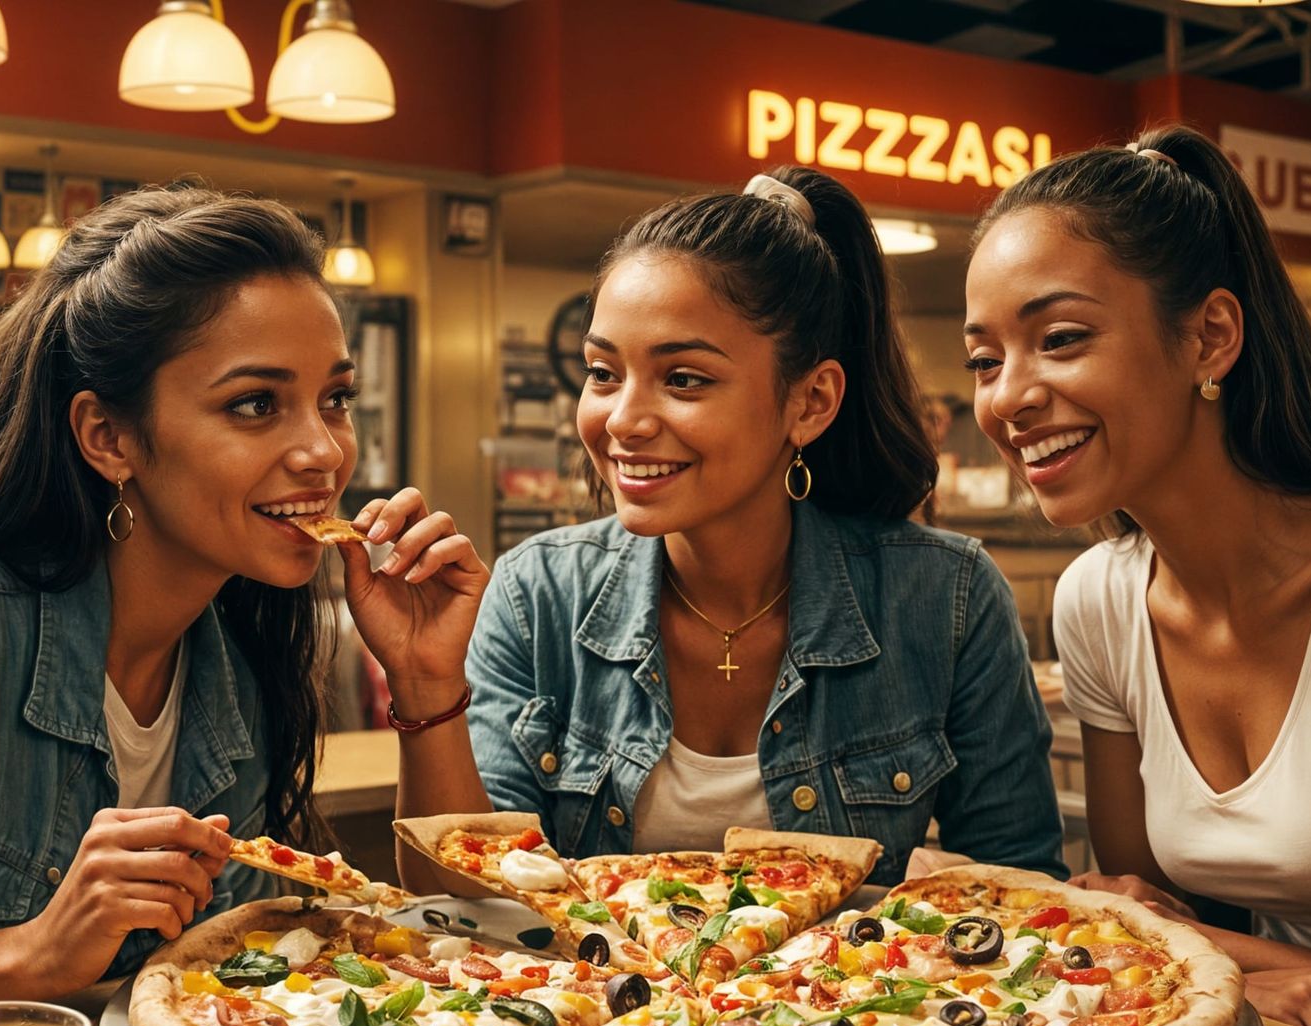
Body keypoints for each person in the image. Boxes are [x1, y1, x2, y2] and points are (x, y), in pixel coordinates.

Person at [354, 166, 1065, 895]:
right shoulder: (540, 592)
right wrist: (425, 682)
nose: (623, 420)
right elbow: (464, 900)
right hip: (592, 1005)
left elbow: (1021, 896)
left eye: (684, 379)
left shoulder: (944, 598)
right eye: (603, 373)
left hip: (855, 1005)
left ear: (810, 401)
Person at [962, 124, 1311, 1026]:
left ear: (1210, 336)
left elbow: (1186, 942)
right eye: (987, 359)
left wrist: (1250, 964)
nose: (1007, 398)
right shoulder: (1099, 600)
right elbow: (1146, 919)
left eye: (1059, 340)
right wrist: (1246, 973)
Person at [0, 188, 367, 1026]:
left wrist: (428, 685)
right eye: (256, 404)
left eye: (335, 398)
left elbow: (224, 991)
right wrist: (31, 955)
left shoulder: (238, 672)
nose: (324, 450)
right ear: (108, 436)